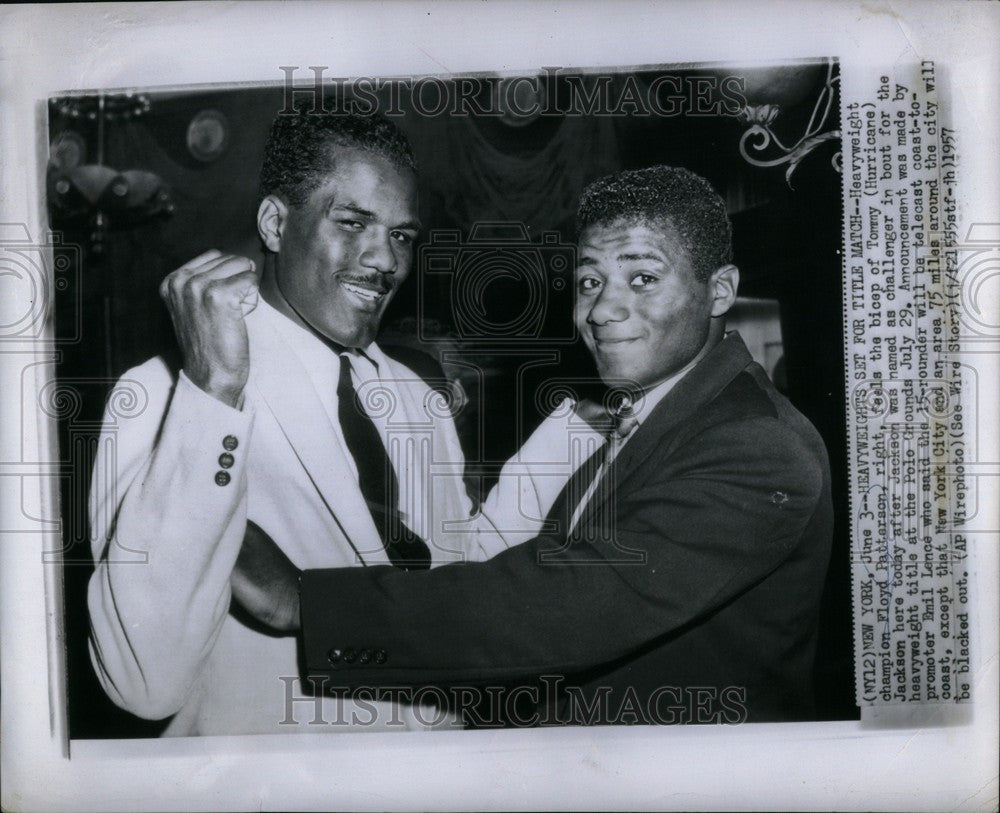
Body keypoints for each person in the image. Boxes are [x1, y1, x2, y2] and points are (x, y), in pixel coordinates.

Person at [232, 165, 835, 725]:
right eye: (590, 281)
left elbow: (564, 606)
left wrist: (307, 605)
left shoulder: (758, 443)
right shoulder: (641, 418)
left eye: (644, 278)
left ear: (720, 290)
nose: (602, 309)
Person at [86, 104, 578, 736]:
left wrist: (577, 434)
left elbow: (460, 569)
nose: (385, 262)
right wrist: (213, 391)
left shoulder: (410, 391)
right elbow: (143, 681)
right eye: (352, 223)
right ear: (274, 223)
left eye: (402, 235)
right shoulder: (164, 397)